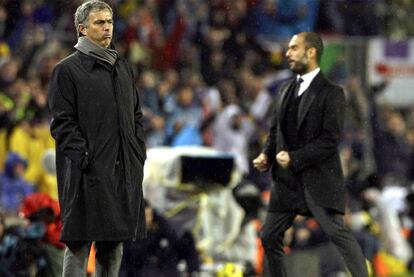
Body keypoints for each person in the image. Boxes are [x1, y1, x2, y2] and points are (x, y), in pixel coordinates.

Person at [252, 32, 368, 277]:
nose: (288, 53)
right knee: (270, 235)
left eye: (294, 48)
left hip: (319, 180)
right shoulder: (284, 90)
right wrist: (267, 154)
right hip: (289, 182)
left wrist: (296, 158)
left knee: (339, 235)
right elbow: (276, 130)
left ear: (311, 52)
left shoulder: (332, 93)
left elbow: (329, 141)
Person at [48, 1, 147, 276]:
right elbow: (62, 124)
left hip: (122, 171)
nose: (107, 28)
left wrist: (138, 151)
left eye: (109, 22)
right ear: (82, 29)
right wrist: (86, 159)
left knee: (113, 245)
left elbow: (136, 115)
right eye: (99, 23)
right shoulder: (66, 70)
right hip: (86, 175)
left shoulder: (123, 67)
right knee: (79, 244)